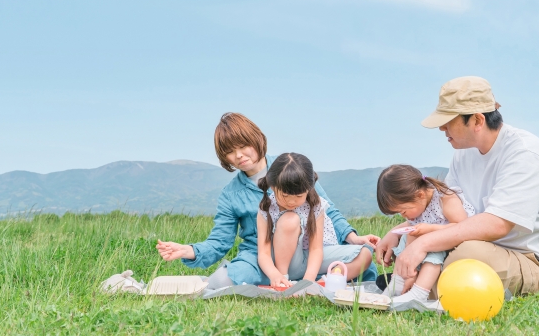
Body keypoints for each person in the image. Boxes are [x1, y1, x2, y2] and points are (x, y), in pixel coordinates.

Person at [376, 76, 539, 298]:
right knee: (445, 248)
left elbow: (496, 225)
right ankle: (417, 283)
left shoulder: (525, 153)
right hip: (488, 248)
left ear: (476, 121)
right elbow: (443, 210)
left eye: (448, 121)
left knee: (461, 254)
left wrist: (423, 243)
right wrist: (397, 233)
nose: (442, 128)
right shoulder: (463, 155)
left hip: (537, 263)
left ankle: (416, 284)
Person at [156, 112, 379, 288]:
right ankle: (296, 279)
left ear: (257, 139)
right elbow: (220, 241)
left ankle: (312, 279)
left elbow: (327, 212)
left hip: (308, 250)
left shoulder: (294, 168)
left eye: (243, 146)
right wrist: (188, 250)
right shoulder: (231, 194)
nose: (239, 155)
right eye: (230, 151)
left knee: (364, 253)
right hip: (260, 256)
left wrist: (353, 237)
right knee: (223, 281)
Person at [257, 153, 373, 287]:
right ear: (273, 187)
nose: (291, 201)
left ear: (309, 188)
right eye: (285, 195)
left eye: (299, 196)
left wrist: (309, 279)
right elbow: (264, 253)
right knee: (289, 219)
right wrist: (274, 274)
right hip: (288, 261)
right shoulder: (266, 207)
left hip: (316, 259)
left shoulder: (317, 205)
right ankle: (283, 281)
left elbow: (316, 249)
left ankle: (320, 281)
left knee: (365, 254)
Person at [376, 164, 474, 302]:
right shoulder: (419, 206)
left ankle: (419, 293)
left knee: (434, 250)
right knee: (407, 238)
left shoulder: (445, 198)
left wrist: (430, 230)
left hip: (456, 241)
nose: (404, 217)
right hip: (433, 239)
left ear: (420, 195)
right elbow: (411, 236)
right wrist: (411, 272)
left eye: (403, 211)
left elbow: (462, 226)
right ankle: (398, 282)